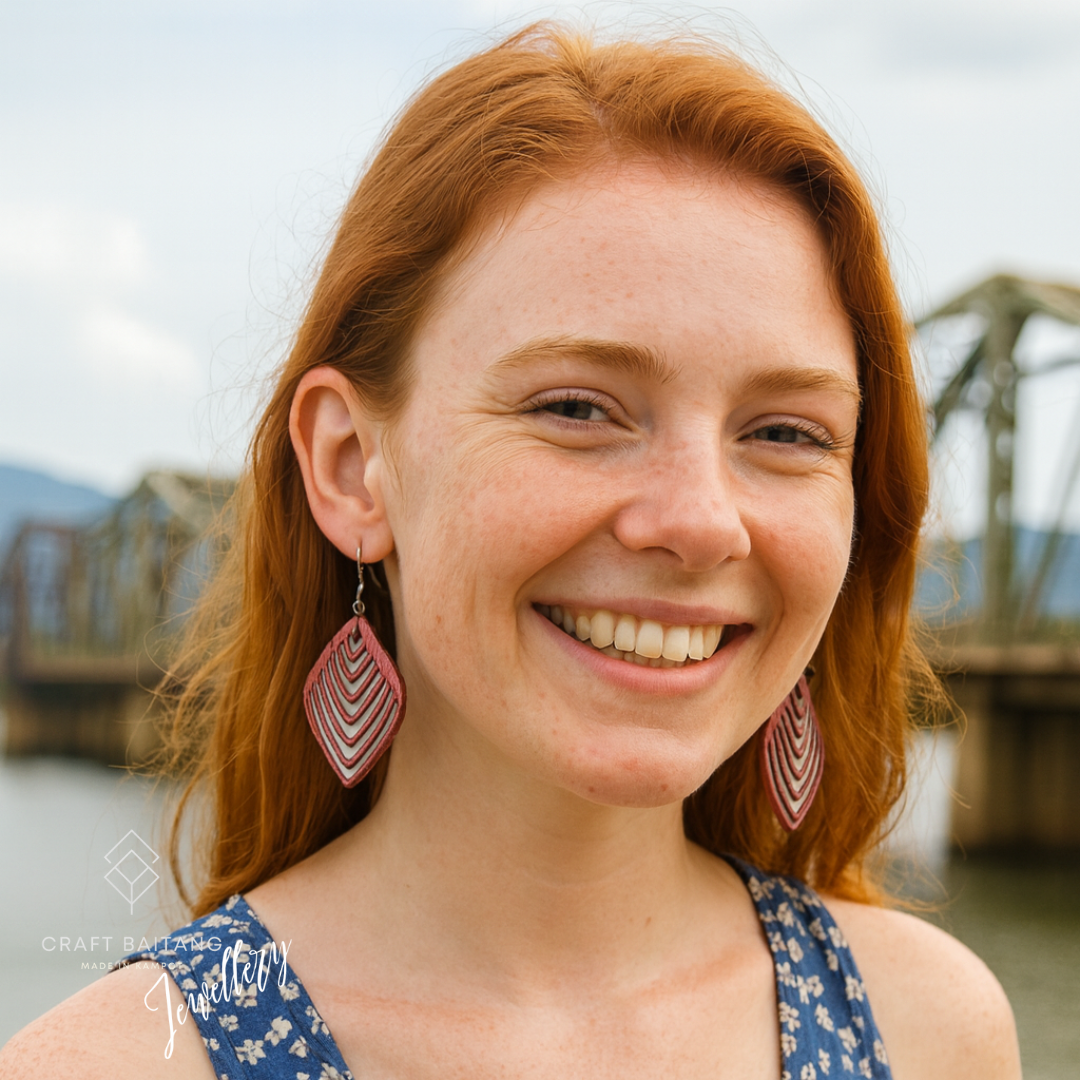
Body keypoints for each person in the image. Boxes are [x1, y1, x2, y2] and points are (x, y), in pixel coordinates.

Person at [1, 22, 1020, 1080]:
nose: (704, 520)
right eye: (578, 407)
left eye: (787, 432)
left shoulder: (936, 1030)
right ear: (353, 468)